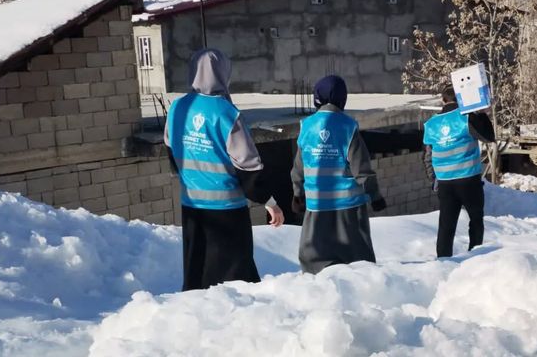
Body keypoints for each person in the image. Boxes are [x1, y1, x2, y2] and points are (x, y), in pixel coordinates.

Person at [165, 48, 284, 291]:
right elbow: (248, 166)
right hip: (227, 213)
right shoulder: (227, 113)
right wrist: (270, 202)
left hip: (192, 208)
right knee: (234, 281)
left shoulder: (177, 108)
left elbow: (171, 150)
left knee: (197, 273)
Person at [290, 75, 387, 274]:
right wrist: (375, 196)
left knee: (315, 263)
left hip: (316, 206)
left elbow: (298, 166)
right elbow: (362, 169)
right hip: (349, 208)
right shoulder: (348, 126)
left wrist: (298, 193)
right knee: (358, 264)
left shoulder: (306, 126)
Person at [423, 85, 495, 258]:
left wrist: (434, 179)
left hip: (445, 182)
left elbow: (427, 156)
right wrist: (481, 113)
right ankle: (475, 255)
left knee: (446, 225)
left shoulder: (431, 123)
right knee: (476, 219)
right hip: (468, 178)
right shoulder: (466, 117)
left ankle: (443, 259)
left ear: (442, 100)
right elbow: (488, 137)